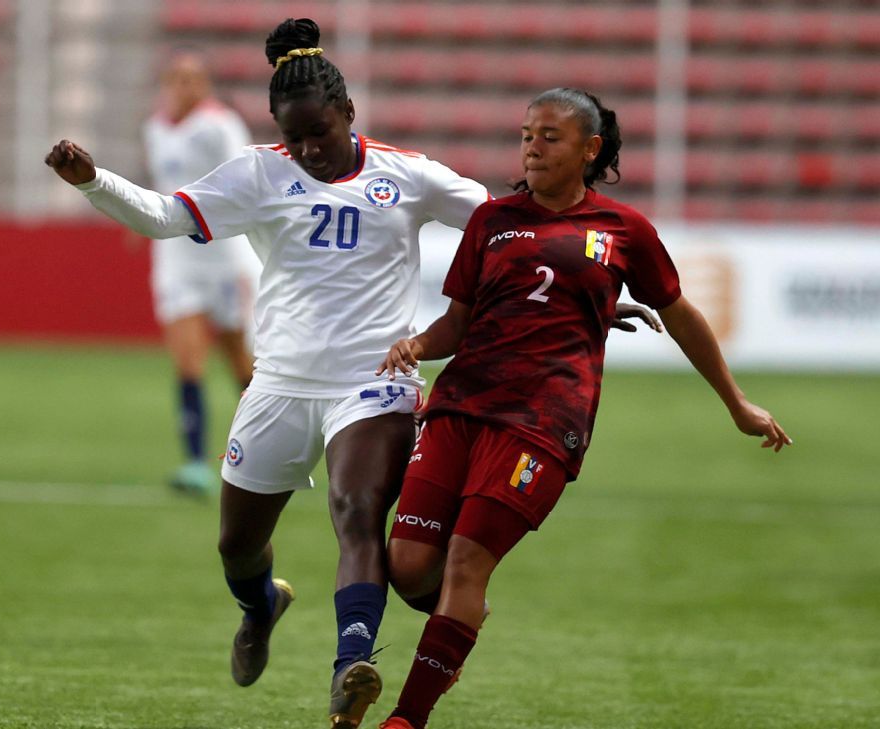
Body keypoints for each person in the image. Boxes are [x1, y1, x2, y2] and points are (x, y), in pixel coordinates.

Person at [47, 18, 491, 728]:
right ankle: (261, 605)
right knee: (237, 544)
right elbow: (166, 216)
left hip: (373, 380)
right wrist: (92, 180)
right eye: (296, 137)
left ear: (349, 113)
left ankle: (352, 665)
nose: (310, 149)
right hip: (280, 382)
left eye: (321, 131)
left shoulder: (406, 175)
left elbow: (500, 224)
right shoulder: (259, 171)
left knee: (356, 510)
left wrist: (585, 280)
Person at [373, 88, 792, 729]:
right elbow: (457, 321)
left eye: (549, 136)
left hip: (543, 424)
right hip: (461, 404)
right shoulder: (491, 220)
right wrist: (417, 345)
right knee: (407, 566)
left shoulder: (625, 230)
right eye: (526, 134)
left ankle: (406, 718)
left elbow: (681, 314)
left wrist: (736, 403)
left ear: (590, 149)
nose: (532, 147)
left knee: (464, 561)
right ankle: (457, 629)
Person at [141, 50, 261, 496]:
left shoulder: (220, 124)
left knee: (242, 364)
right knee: (187, 361)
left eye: (192, 79)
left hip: (225, 259)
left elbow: (244, 176)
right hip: (176, 261)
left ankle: (264, 450)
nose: (183, 87)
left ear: (205, 85)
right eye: (176, 78)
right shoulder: (154, 127)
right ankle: (195, 463)